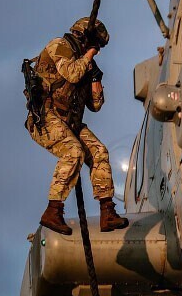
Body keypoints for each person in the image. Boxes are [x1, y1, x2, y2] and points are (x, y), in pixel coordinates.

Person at [27, 16, 128, 235]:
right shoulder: (59, 46)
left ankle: (107, 211)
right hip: (46, 118)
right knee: (74, 152)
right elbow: (71, 74)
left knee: (99, 152)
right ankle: (53, 210)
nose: (98, 51)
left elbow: (96, 105)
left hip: (70, 122)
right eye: (96, 45)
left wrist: (95, 79)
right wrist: (89, 55)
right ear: (84, 38)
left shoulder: (85, 64)